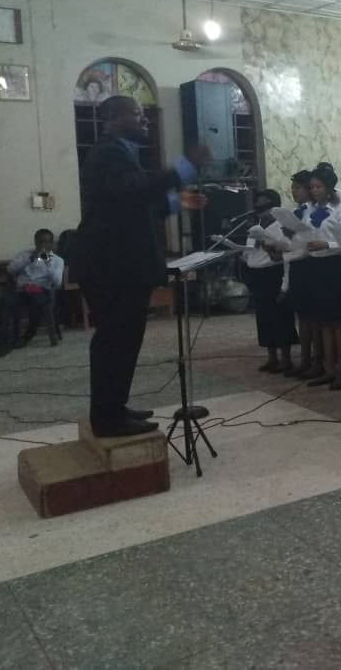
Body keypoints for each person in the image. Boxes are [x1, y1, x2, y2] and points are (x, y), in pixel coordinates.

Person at [71, 95, 208, 436]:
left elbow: (136, 203)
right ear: (113, 118)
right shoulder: (108, 153)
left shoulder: (121, 154)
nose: (145, 119)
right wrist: (183, 168)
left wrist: (179, 202)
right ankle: (107, 417)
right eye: (136, 113)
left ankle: (113, 408)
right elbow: (133, 191)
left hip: (119, 266)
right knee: (115, 341)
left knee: (123, 341)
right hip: (113, 267)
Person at [304, 165, 341, 391]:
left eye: (318, 186)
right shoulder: (310, 210)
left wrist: (326, 244)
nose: (314, 191)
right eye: (312, 187)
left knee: (337, 321)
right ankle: (328, 368)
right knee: (323, 321)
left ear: (328, 188)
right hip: (315, 265)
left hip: (335, 266)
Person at [243, 190, 298, 373]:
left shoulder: (280, 226)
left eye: (264, 206)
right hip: (257, 274)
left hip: (274, 273)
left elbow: (285, 252)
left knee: (280, 316)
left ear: (273, 207)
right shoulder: (255, 227)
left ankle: (286, 358)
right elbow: (247, 252)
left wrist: (267, 244)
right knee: (263, 317)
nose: (259, 209)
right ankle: (271, 357)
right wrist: (244, 250)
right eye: (257, 205)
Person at [0, 229, 65, 358]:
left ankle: (27, 336)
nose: (44, 245)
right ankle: (7, 341)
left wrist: (48, 264)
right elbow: (10, 270)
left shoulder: (57, 261)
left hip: (41, 291)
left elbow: (57, 282)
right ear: (35, 242)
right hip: (21, 290)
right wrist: (29, 260)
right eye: (41, 242)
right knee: (4, 300)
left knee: (36, 301)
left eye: (47, 242)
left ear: (51, 244)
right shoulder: (25, 255)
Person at [281, 170, 317, 377]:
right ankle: (304, 358)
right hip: (296, 264)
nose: (294, 191)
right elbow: (293, 243)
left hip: (310, 265)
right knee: (302, 317)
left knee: (315, 318)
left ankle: (316, 359)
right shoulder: (295, 212)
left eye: (298, 187)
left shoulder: (315, 211)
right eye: (292, 187)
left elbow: (310, 242)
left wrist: (291, 248)